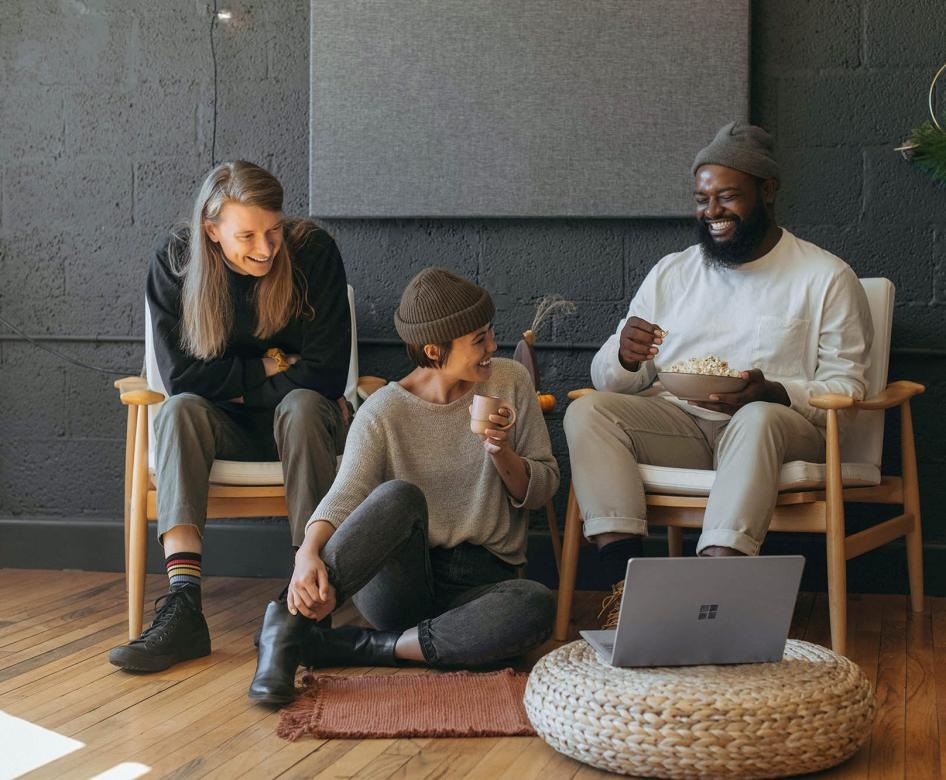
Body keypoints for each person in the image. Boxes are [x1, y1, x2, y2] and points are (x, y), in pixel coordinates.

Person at [564, 121, 873, 626]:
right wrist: (626, 355)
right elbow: (610, 381)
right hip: (681, 425)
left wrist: (776, 392)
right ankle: (628, 594)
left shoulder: (824, 277)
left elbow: (848, 385)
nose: (712, 212)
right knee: (589, 411)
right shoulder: (673, 272)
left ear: (768, 192)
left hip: (780, 431)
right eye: (703, 198)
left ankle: (712, 593)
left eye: (728, 197)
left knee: (757, 417)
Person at [248, 268, 559, 705]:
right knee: (397, 496)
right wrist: (307, 554)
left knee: (535, 604)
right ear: (434, 349)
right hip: (401, 584)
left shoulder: (509, 381)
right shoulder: (383, 411)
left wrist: (501, 451)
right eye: (478, 340)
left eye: (490, 334)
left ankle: (364, 647)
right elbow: (347, 491)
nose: (492, 347)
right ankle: (288, 627)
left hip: (483, 583)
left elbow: (544, 488)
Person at [109, 161, 352, 672]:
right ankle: (183, 606)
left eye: (274, 230)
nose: (266, 248)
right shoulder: (176, 261)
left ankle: (306, 600)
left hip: (306, 427)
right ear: (210, 230)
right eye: (247, 235)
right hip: (220, 430)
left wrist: (232, 382)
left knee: (304, 404)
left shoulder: (313, 253)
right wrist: (273, 364)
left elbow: (326, 376)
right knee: (177, 412)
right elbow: (179, 379)